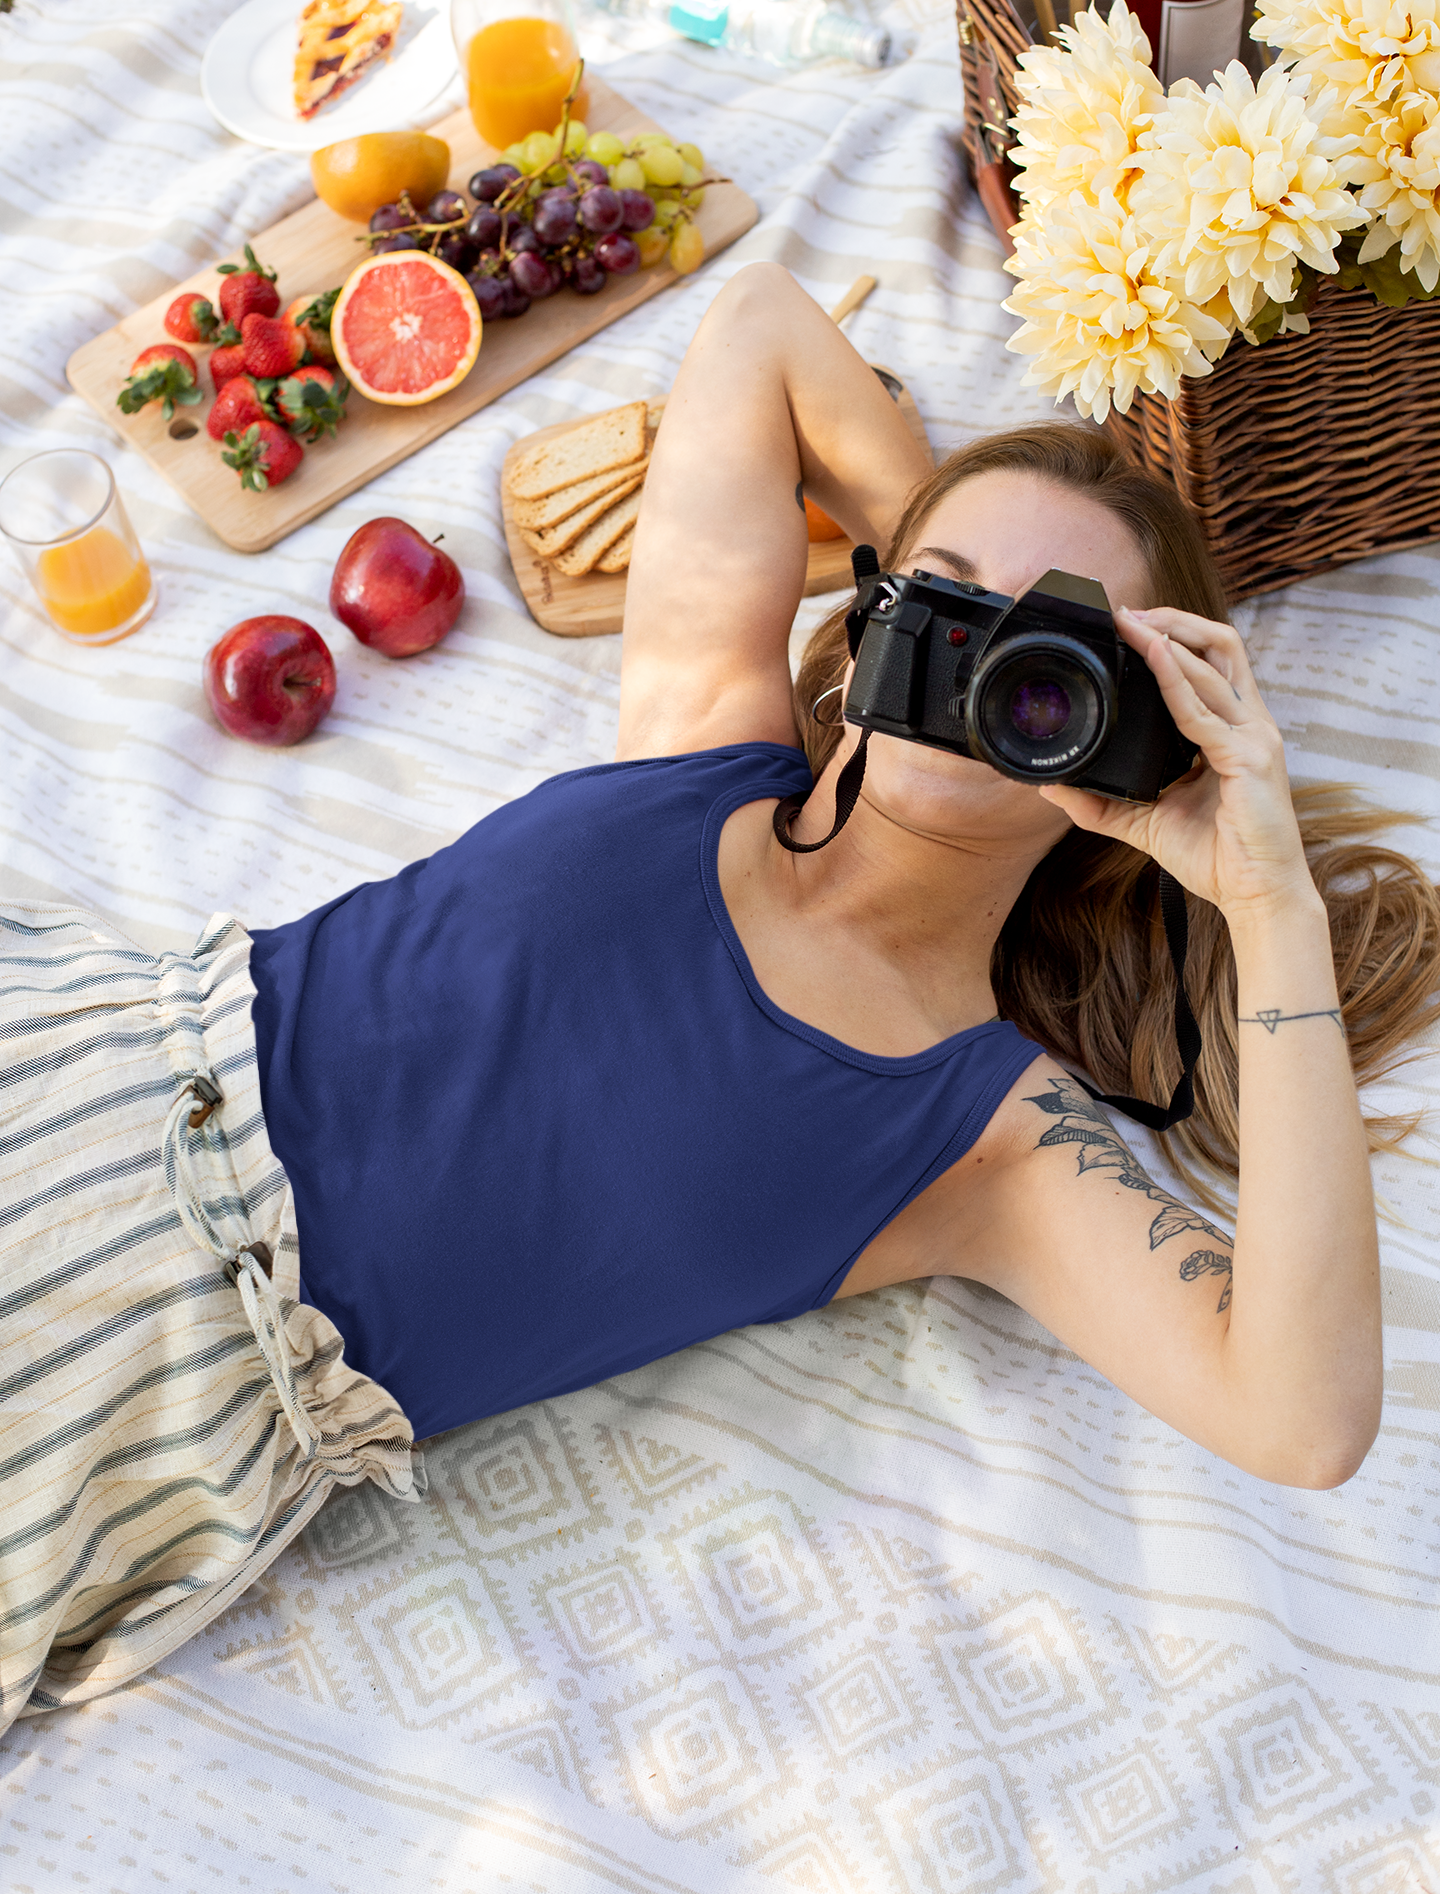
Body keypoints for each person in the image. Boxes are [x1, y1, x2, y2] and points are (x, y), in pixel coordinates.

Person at [3, 264, 1437, 1735]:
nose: (985, 655)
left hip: (144, 1367)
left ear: (1137, 744)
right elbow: (759, 327)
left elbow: (1304, 1417)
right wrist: (971, 588)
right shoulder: (704, 736)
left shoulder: (987, 1136)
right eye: (944, 605)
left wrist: (1260, 890)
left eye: (1048, 656)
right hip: (83, 1050)